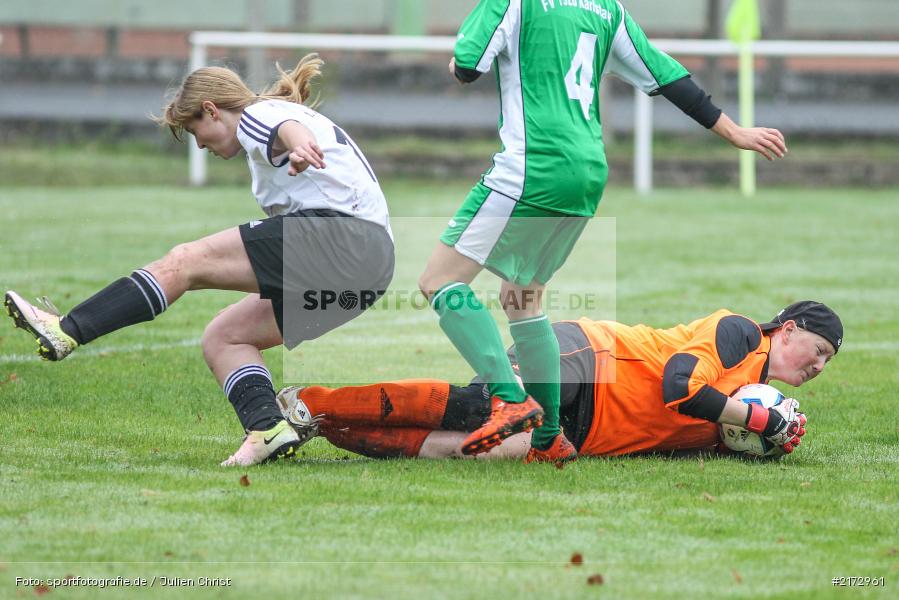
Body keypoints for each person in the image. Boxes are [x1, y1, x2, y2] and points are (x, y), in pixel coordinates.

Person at [416, 0, 789, 466]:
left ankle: (510, 400)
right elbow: (667, 75)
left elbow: (469, 66)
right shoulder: (606, 9)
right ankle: (548, 436)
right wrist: (734, 132)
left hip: (534, 167)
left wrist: (456, 63)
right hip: (588, 173)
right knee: (522, 297)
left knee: (438, 281)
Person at [4, 55, 395, 467]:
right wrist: (297, 147)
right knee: (225, 337)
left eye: (195, 131)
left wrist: (299, 145)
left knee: (184, 262)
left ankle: (68, 329)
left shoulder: (257, 115)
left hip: (344, 238)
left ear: (211, 110)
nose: (200, 145)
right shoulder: (272, 121)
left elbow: (286, 129)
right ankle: (267, 429)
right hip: (370, 273)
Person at [274, 301, 841, 463]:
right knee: (482, 409)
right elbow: (679, 388)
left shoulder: (746, 402)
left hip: (588, 431)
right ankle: (310, 401)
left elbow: (702, 426)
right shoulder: (740, 333)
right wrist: (758, 419)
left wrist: (759, 442)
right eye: (818, 351)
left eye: (826, 363)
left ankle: (324, 425)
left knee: (468, 450)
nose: (817, 367)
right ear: (788, 330)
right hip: (591, 361)